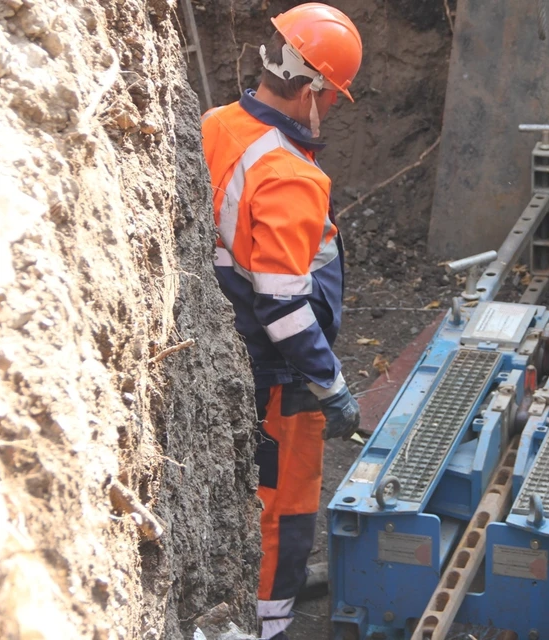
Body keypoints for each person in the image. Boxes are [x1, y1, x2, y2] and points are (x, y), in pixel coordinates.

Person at [200, 5, 363, 638]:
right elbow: (284, 303)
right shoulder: (290, 173)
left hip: (228, 347)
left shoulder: (218, 125)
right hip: (278, 373)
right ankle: (269, 625)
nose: (334, 109)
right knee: (287, 509)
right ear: (313, 89)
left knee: (246, 496)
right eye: (334, 98)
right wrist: (330, 384)